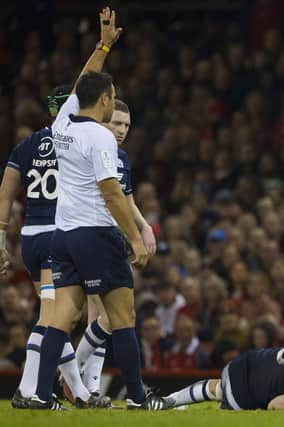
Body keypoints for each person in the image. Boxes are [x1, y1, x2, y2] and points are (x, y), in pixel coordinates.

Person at [28, 7, 164, 410]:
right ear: (105, 101)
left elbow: (82, 82)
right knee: (124, 318)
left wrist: (104, 45)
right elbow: (112, 194)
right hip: (97, 235)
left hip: (63, 235)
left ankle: (34, 393)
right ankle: (139, 398)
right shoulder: (101, 139)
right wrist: (136, 237)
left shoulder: (63, 125)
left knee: (60, 317)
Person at [0, 18, 125, 411]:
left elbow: (5, 195)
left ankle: (72, 392)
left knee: (53, 316)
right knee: (57, 319)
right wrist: (103, 48)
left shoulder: (32, 142)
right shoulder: (76, 135)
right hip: (61, 234)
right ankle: (33, 390)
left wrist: (1, 237)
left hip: (30, 239)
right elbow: (84, 84)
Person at [71, 98, 157, 397]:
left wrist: (144, 226)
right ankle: (72, 379)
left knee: (102, 315)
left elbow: (127, 199)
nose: (121, 130)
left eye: (126, 125)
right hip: (91, 235)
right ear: (102, 121)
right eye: (116, 123)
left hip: (111, 237)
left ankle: (85, 383)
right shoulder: (89, 150)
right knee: (103, 314)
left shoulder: (120, 157)